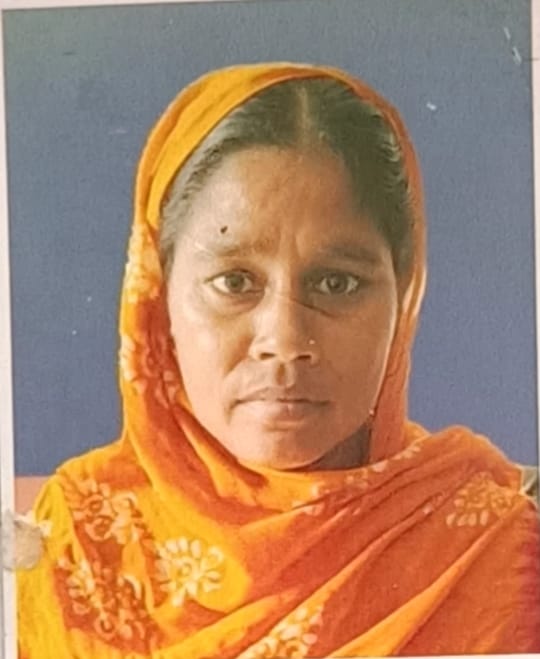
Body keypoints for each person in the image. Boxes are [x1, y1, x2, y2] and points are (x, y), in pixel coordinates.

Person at [17, 62, 540, 658]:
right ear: (157, 296)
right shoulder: (80, 537)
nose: (285, 339)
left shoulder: (498, 546)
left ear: (405, 295)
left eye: (337, 283)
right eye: (235, 281)